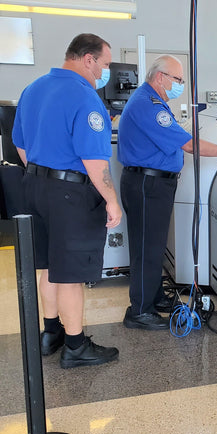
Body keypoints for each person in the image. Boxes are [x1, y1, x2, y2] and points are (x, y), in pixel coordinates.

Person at [118, 55, 217, 330]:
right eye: (178, 80)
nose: (180, 85)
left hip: (151, 184)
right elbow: (190, 145)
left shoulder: (151, 102)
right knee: (147, 248)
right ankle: (139, 311)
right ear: (160, 77)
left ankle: (153, 298)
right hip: (148, 185)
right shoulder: (150, 105)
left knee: (152, 247)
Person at [12, 34, 122, 368]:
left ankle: (51, 333)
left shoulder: (33, 89)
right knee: (71, 273)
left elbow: (20, 144)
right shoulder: (86, 98)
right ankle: (76, 346)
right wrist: (112, 200)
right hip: (70, 195)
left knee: (48, 264)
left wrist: (43, 170)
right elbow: (94, 161)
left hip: (33, 185)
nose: (104, 72)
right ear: (88, 59)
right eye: (104, 65)